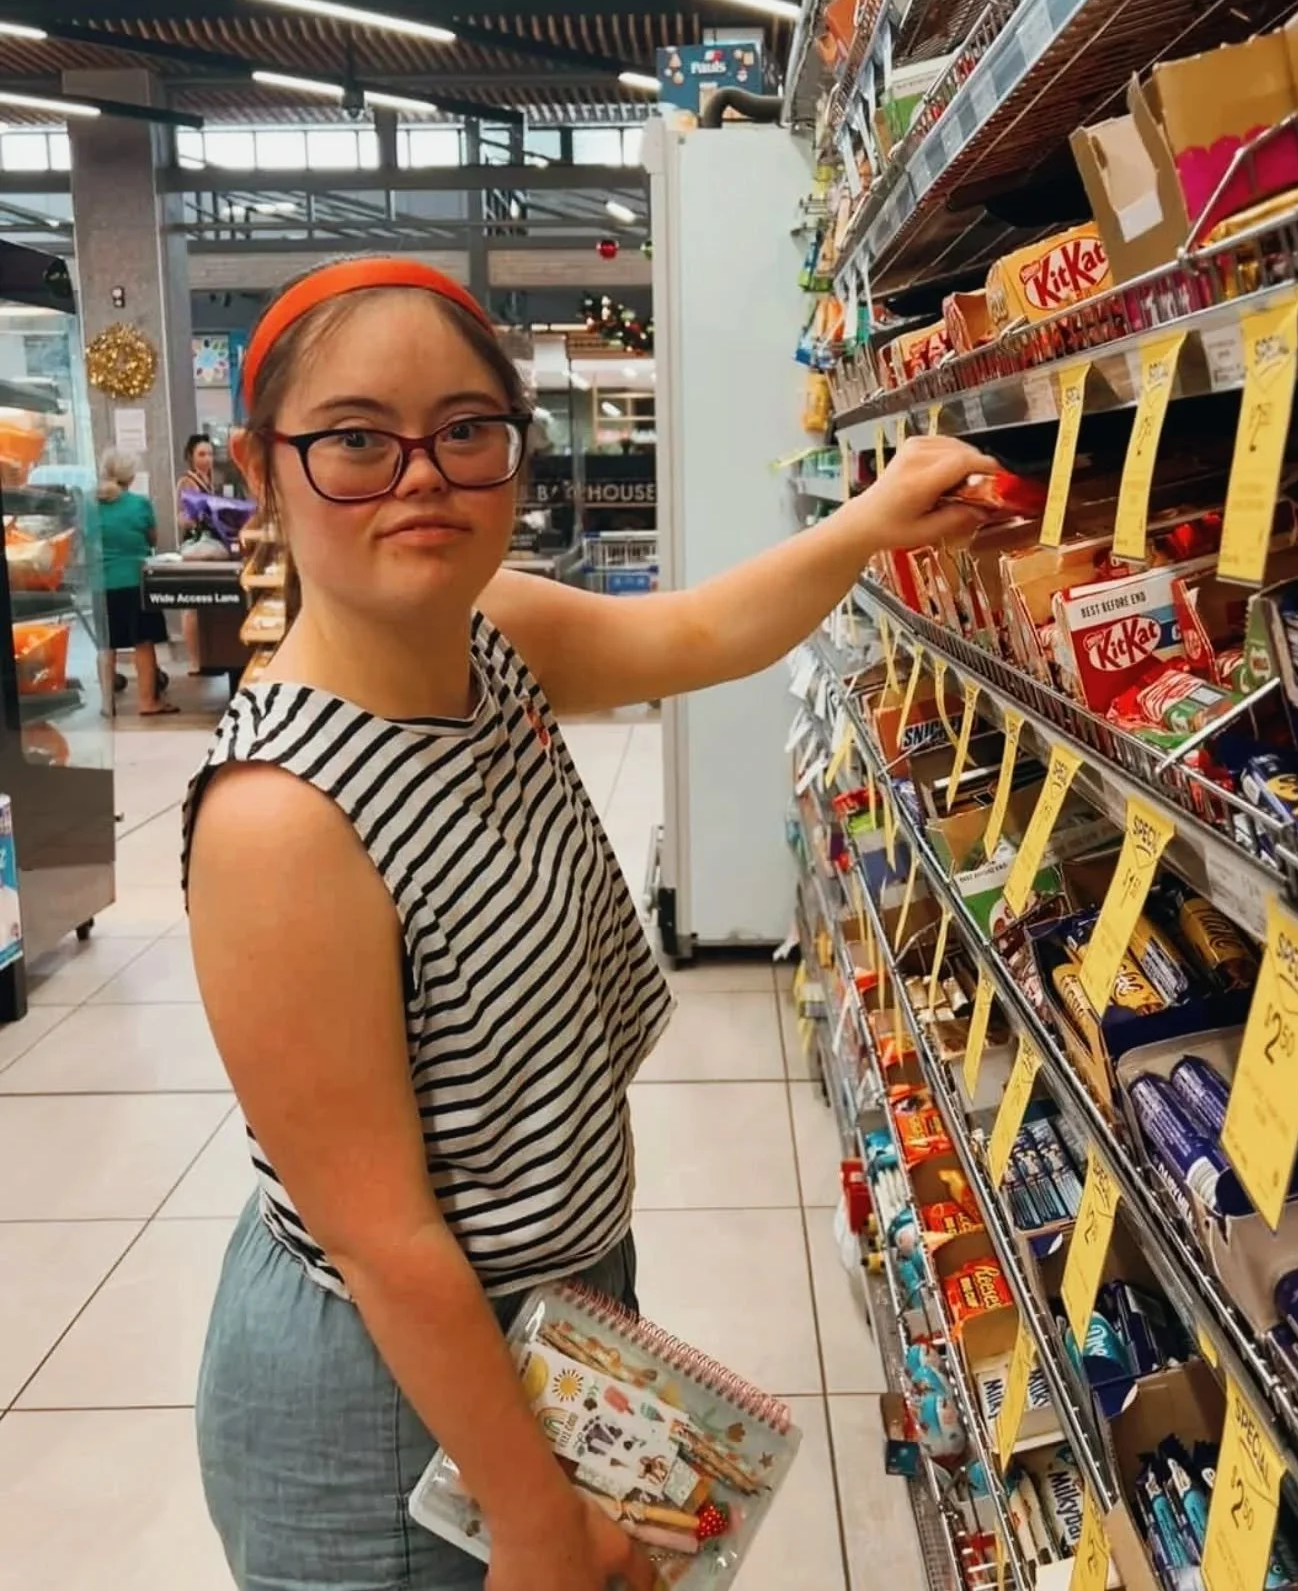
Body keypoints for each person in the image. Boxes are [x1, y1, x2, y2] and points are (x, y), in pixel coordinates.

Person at [185, 256, 997, 1591]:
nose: (422, 476)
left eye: (466, 430)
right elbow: (383, 1241)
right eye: (353, 440)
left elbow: (694, 632)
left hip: (548, 1313)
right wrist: (533, 1512)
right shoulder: (282, 818)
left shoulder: (484, 632)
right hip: (386, 1385)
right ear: (263, 470)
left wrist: (877, 522)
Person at [94, 448, 177, 717]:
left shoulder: (88, 504)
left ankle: (108, 704)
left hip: (100, 583)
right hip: (133, 581)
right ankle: (148, 702)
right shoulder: (139, 504)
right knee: (143, 641)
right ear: (129, 477)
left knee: (106, 645)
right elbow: (152, 540)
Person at [177, 432, 216, 674]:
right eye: (202, 454)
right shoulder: (188, 482)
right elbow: (183, 518)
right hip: (194, 544)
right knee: (191, 604)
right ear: (191, 457)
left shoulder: (209, 481)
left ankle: (206, 657)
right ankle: (194, 659)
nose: (207, 459)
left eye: (210, 453)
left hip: (207, 544)